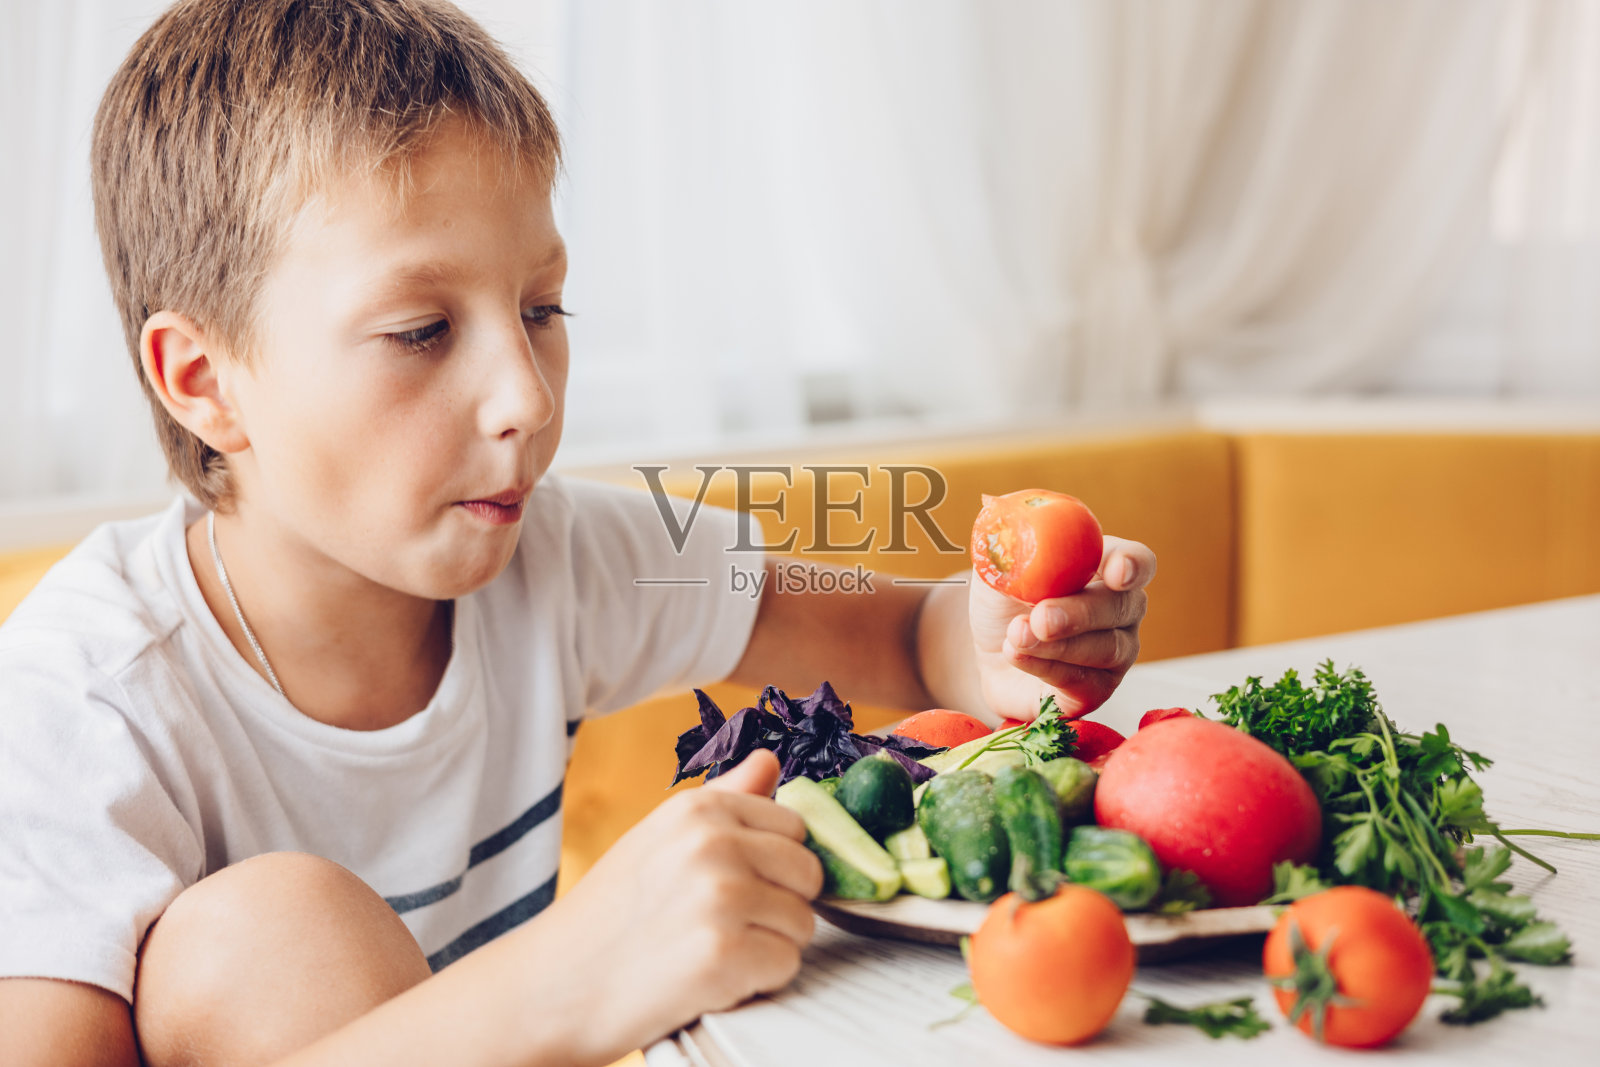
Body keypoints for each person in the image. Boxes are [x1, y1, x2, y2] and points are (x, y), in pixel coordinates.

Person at [0, 2, 1156, 1064]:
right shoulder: (83, 697)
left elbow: (908, 638)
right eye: (419, 329)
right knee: (263, 933)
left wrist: (1011, 628)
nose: (529, 398)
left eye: (542, 310)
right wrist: (569, 974)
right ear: (202, 379)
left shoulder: (560, 550)